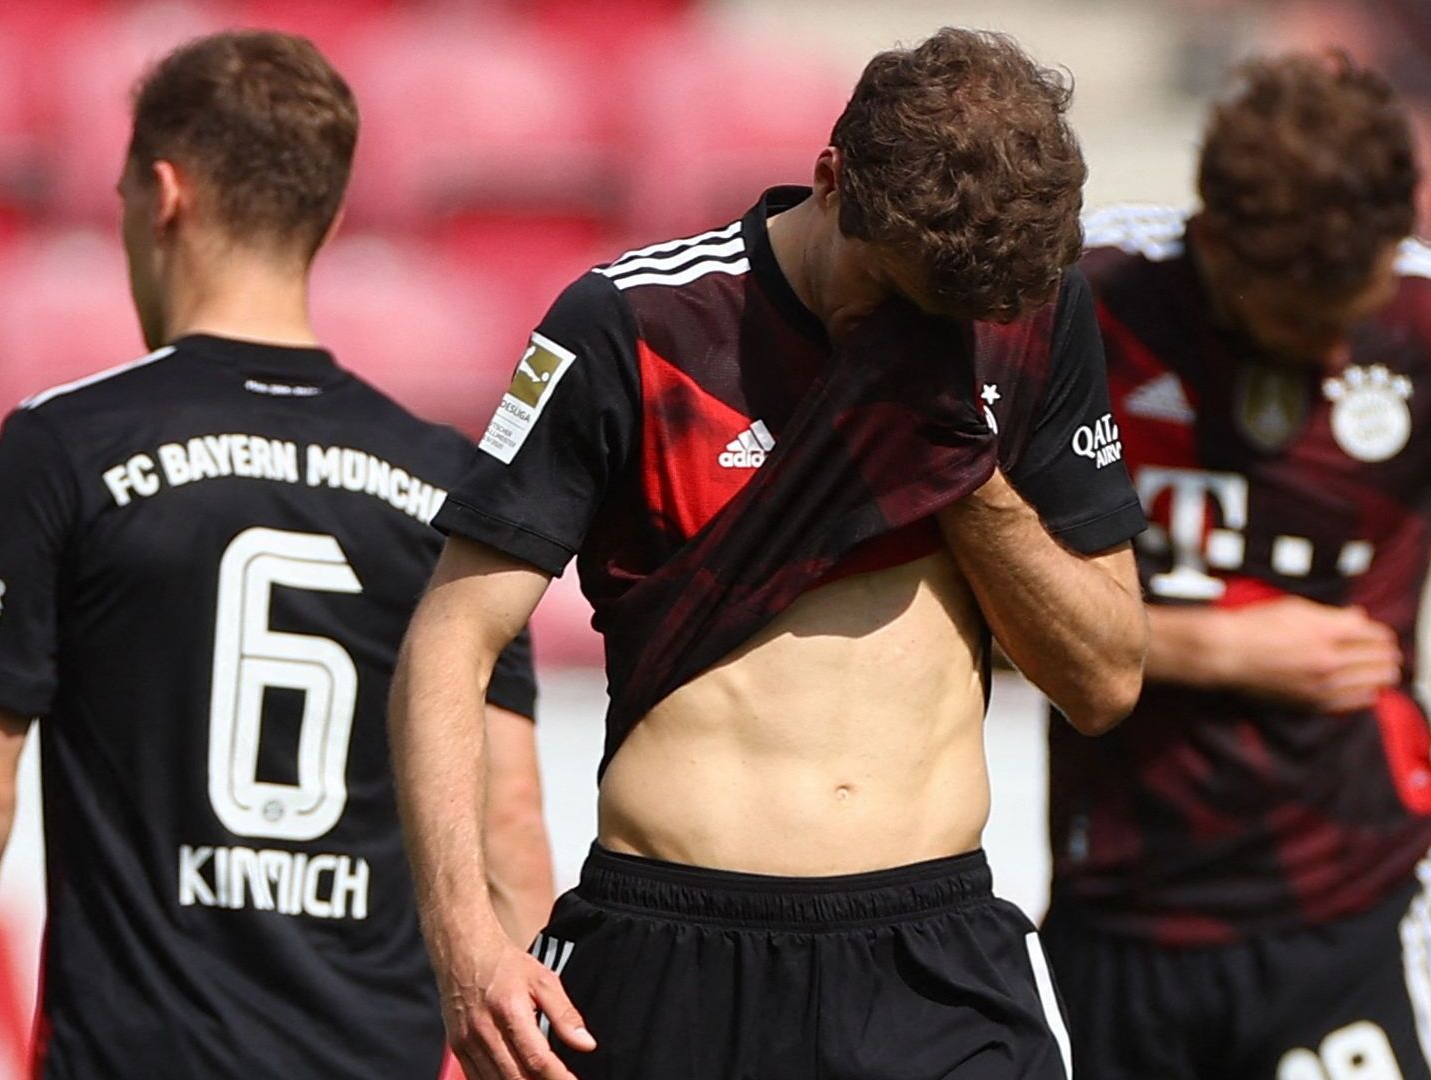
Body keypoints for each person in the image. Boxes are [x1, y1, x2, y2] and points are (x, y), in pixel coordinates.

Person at [390, 27, 1150, 1080]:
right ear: (831, 177)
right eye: (890, 294)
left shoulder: (1021, 316)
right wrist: (464, 945)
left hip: (933, 961)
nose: (913, 333)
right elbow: (448, 641)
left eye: (948, 318)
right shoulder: (633, 322)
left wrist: (958, 469)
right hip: (676, 950)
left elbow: (1105, 680)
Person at [0, 32, 546, 1080]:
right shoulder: (447, 480)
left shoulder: (67, 444)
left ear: (164, 194)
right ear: (324, 219)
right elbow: (505, 815)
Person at [1046, 52, 1431, 1080]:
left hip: (1352, 904)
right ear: (1216, 248)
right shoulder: (1082, 302)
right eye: (1304, 324)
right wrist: (1202, 648)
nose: (1338, 355)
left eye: (1355, 310)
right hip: (1121, 908)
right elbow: (972, 532)